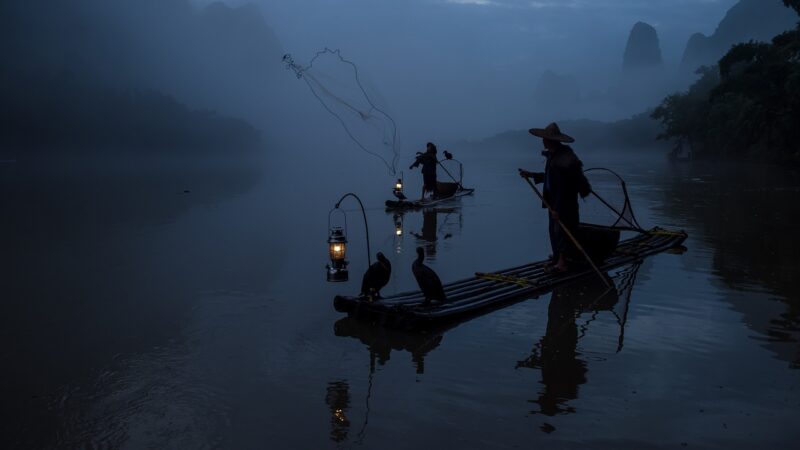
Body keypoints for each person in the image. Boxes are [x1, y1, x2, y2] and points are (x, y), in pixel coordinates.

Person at [519, 123, 590, 273]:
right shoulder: (553, 156)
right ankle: (558, 257)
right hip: (554, 202)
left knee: (562, 231)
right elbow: (550, 178)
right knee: (554, 230)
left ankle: (563, 263)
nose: (543, 141)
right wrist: (531, 175)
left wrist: (559, 209)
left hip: (564, 203)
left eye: (545, 139)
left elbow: (565, 187)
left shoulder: (564, 158)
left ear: (552, 141)